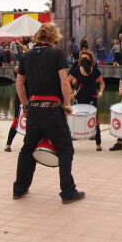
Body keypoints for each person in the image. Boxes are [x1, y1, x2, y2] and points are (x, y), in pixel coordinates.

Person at [12, 22, 84, 204]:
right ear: (53, 37)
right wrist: (67, 104)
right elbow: (64, 81)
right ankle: (68, 191)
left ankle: (19, 189)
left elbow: (19, 84)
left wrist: (25, 105)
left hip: (34, 109)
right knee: (66, 148)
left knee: (27, 149)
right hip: (52, 110)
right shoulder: (56, 53)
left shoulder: (26, 55)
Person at [67, 50, 105, 150]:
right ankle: (72, 141)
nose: (84, 59)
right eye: (82, 58)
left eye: (86, 58)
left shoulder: (95, 70)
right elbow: (67, 82)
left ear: (90, 59)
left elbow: (102, 83)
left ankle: (98, 144)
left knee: (95, 120)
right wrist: (71, 93)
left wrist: (100, 92)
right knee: (74, 119)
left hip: (92, 98)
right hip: (79, 98)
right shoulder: (76, 70)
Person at [5, 65, 25, 152]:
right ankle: (8, 144)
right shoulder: (21, 70)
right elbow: (15, 69)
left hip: (32, 96)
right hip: (20, 97)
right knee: (16, 120)